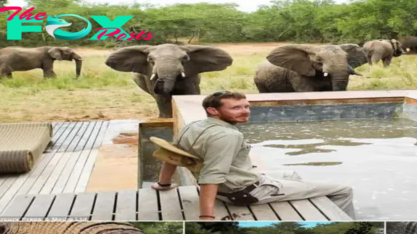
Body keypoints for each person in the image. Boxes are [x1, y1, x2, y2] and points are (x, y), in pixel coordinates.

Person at [151, 90, 356, 221]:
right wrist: (206, 217)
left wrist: (163, 185)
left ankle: (304, 204)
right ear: (213, 110)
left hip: (238, 185)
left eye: (246, 106)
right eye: (236, 108)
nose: (245, 111)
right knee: (343, 190)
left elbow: (171, 155)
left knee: (291, 173)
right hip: (245, 194)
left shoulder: (194, 126)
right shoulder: (227, 136)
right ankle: (342, 220)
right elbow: (211, 178)